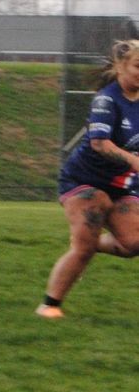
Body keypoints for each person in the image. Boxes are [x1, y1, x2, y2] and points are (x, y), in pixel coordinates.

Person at [37, 39, 139, 318]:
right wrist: (133, 160)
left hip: (122, 183)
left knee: (133, 243)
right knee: (83, 249)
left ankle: (91, 242)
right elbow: (99, 144)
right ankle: (49, 305)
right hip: (85, 181)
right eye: (138, 66)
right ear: (120, 67)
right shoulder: (107, 99)